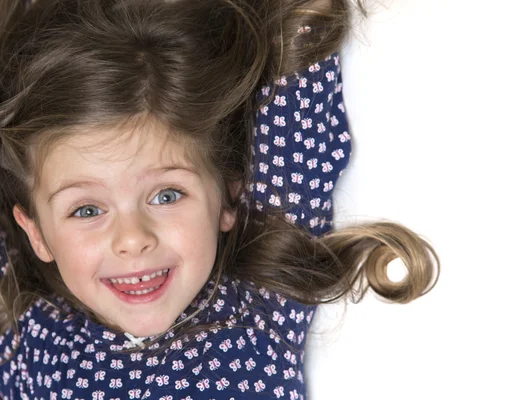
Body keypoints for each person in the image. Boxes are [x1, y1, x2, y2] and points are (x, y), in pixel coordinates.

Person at [0, 0, 439, 398]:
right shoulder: (32, 335)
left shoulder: (256, 311)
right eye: (88, 210)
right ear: (37, 233)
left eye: (167, 195)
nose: (132, 239)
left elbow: (295, 122)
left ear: (228, 200)